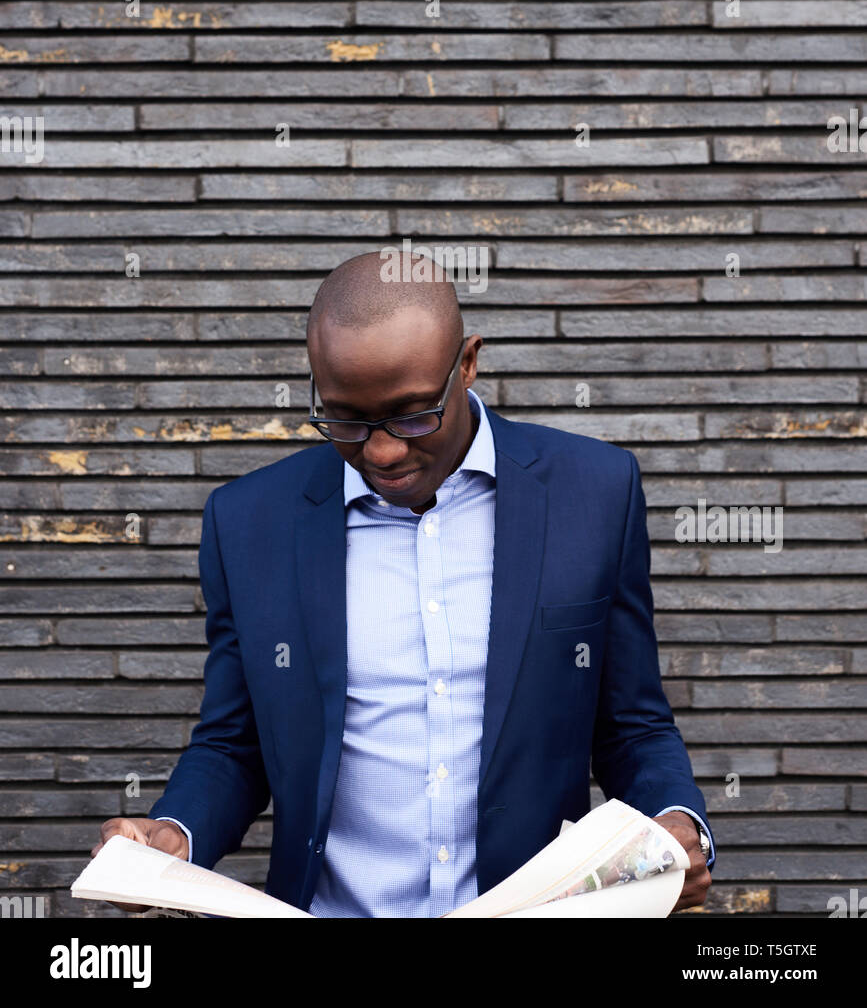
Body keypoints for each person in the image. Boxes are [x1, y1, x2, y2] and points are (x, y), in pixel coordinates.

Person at [92, 251, 714, 916]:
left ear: (467, 362)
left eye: (414, 414)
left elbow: (631, 727)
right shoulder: (249, 522)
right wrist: (172, 836)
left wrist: (675, 824)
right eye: (346, 420)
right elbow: (235, 742)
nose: (382, 452)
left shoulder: (594, 493)